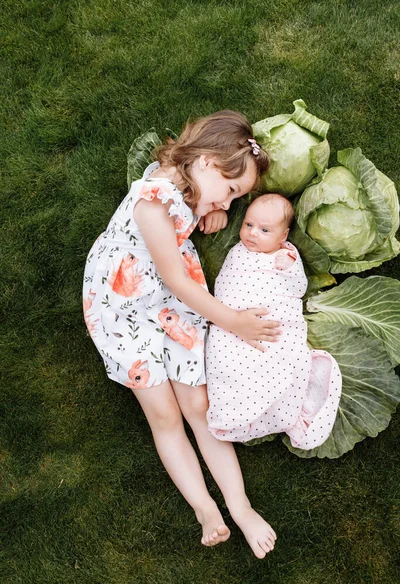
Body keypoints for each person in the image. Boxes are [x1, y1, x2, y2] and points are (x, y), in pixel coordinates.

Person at [83, 112, 279, 558]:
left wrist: (205, 210)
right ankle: (205, 507)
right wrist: (233, 320)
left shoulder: (187, 177)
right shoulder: (152, 203)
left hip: (169, 302)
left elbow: (190, 210)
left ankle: (241, 506)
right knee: (166, 416)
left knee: (199, 405)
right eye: (230, 193)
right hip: (125, 301)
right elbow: (176, 280)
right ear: (208, 162)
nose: (227, 206)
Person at [206, 194, 342, 448]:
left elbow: (298, 288)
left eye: (264, 230)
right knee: (228, 366)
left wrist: (290, 267)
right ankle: (236, 414)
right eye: (248, 225)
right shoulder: (239, 251)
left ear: (283, 236)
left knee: (274, 360)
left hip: (271, 323)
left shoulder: (285, 256)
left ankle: (279, 410)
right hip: (230, 330)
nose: (252, 234)